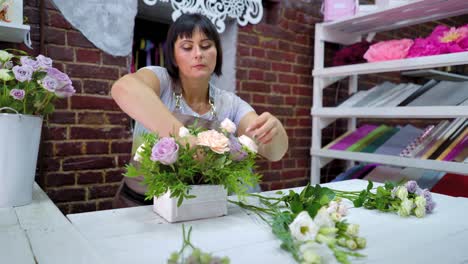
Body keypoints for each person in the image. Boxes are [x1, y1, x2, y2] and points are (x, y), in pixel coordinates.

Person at [111, 13, 288, 208]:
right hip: (140, 204)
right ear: (173, 56)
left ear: (217, 52)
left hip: (198, 208)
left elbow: (273, 152)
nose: (198, 54)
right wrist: (184, 138)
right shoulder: (160, 81)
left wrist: (274, 132)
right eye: (187, 47)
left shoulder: (229, 103)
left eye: (206, 46)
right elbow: (124, 88)